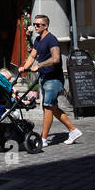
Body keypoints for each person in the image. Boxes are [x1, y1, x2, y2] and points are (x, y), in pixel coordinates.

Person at [18, 15, 82, 146]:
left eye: (38, 25)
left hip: (54, 79)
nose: (35, 26)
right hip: (45, 78)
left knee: (47, 107)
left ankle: (43, 139)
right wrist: (24, 67)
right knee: (52, 107)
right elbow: (32, 55)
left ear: (45, 26)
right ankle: (73, 130)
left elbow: (56, 58)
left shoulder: (51, 39)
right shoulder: (38, 40)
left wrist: (39, 65)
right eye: (34, 24)